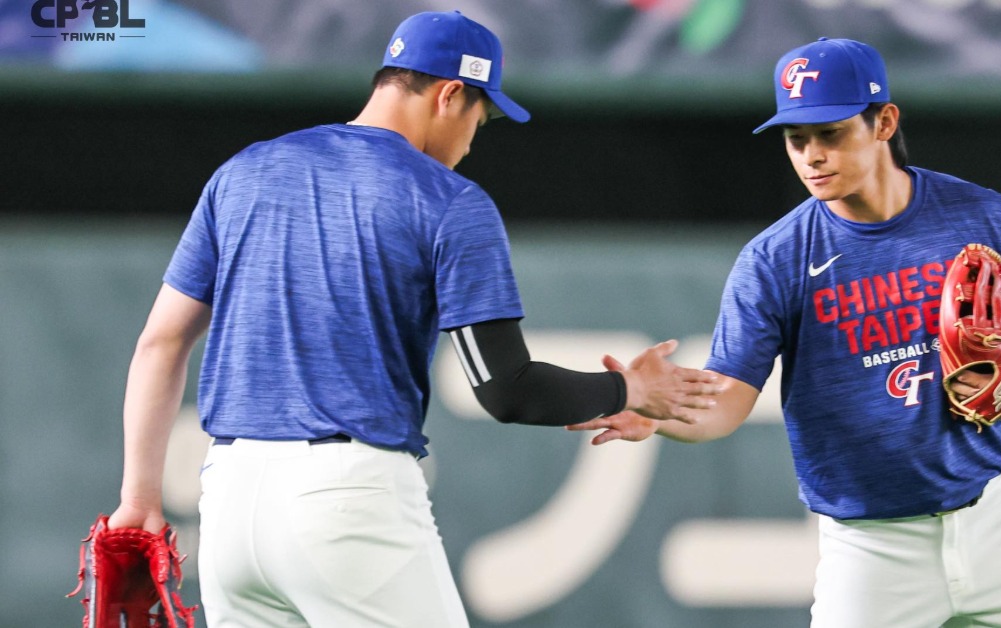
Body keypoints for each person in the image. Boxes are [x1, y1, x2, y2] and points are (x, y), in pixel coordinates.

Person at [105, 10, 718, 628]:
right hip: (345, 501)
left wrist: (139, 499)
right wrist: (630, 388)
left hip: (228, 503)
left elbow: (161, 343)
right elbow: (507, 389)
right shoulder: (446, 200)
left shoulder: (244, 172)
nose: (472, 140)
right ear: (450, 95)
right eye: (480, 117)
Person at [569, 37, 1001, 627]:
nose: (812, 155)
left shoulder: (980, 214)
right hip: (873, 548)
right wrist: (661, 414)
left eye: (830, 133)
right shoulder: (774, 260)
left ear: (884, 122)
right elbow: (729, 397)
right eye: (796, 139)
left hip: (999, 519)